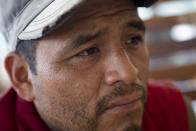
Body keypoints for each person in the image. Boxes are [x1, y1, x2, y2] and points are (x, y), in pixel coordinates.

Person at [0, 0, 195, 131]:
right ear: (23, 76)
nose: (128, 73)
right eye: (88, 51)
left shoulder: (173, 114)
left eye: (133, 40)